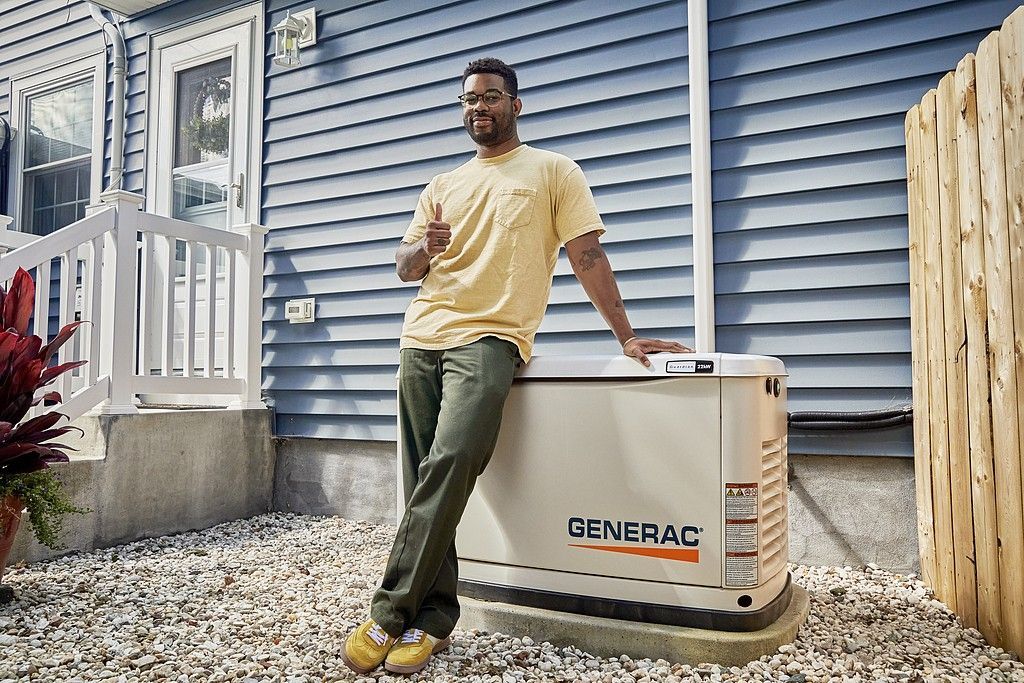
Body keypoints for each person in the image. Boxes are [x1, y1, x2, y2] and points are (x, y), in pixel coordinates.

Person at [341, 57, 691, 676]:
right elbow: (404, 266)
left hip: (491, 339)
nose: (480, 106)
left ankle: (388, 612)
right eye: (469, 99)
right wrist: (425, 247)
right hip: (421, 338)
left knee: (450, 463)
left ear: (516, 105)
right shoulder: (442, 184)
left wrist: (627, 336)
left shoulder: (553, 172)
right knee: (424, 481)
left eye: (492, 97)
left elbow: (586, 254)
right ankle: (434, 622)